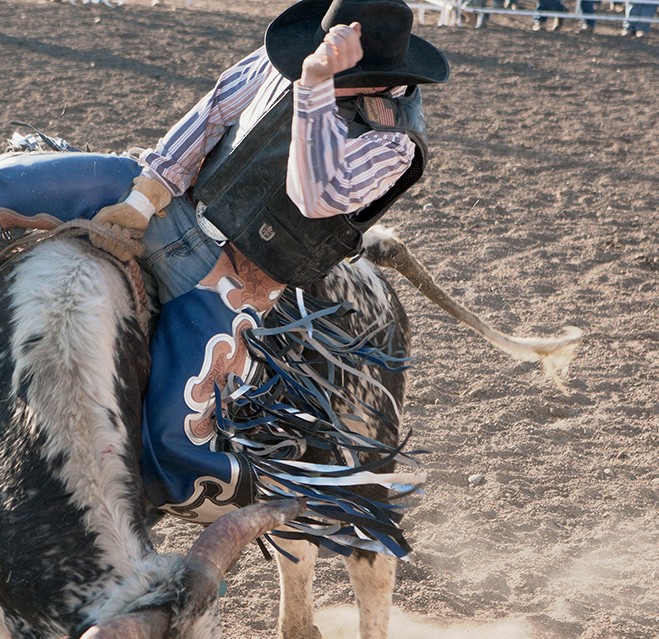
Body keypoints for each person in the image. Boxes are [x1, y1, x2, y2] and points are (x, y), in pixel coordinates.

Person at [84, 0, 446, 524]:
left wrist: (315, 87)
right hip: (177, 212)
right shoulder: (293, 61)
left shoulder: (394, 143)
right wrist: (144, 200)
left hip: (240, 276)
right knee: (64, 179)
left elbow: (316, 196)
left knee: (173, 437)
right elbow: (213, 113)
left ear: (375, 81)